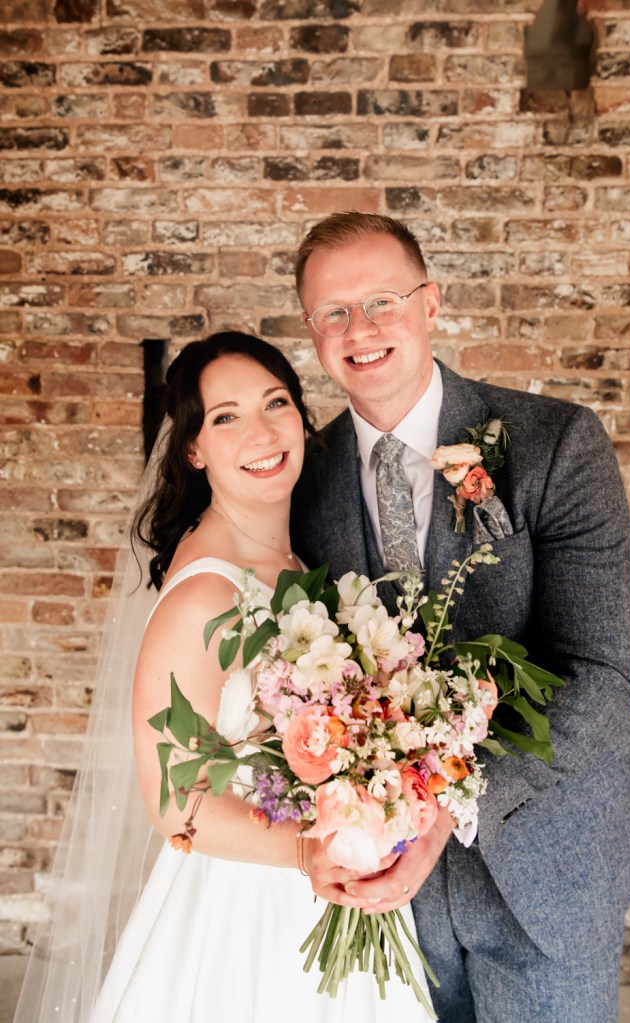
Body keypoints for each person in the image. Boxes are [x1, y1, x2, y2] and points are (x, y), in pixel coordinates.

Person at [290, 212, 630, 1023]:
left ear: (431, 303)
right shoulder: (299, 477)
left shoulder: (555, 442)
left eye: (382, 300)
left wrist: (442, 806)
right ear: (310, 330)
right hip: (384, 889)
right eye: (332, 312)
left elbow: (600, 674)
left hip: (547, 857)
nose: (359, 329)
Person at [14, 332, 433, 1023]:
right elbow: (173, 805)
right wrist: (307, 852)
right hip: (247, 912)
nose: (262, 431)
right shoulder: (202, 597)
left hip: (334, 883)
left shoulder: (293, 562)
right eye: (226, 416)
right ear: (192, 448)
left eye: (276, 403)